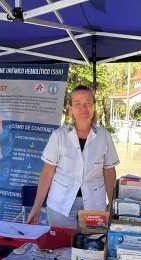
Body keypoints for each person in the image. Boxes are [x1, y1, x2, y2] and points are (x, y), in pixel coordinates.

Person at [26, 85, 120, 229]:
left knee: (91, 246)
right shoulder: (59, 135)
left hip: (94, 206)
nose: (83, 108)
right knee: (62, 246)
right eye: (77, 103)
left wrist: (112, 204)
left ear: (94, 106)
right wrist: (36, 207)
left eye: (88, 103)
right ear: (70, 107)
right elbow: (47, 173)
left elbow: (109, 172)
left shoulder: (104, 136)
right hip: (60, 205)